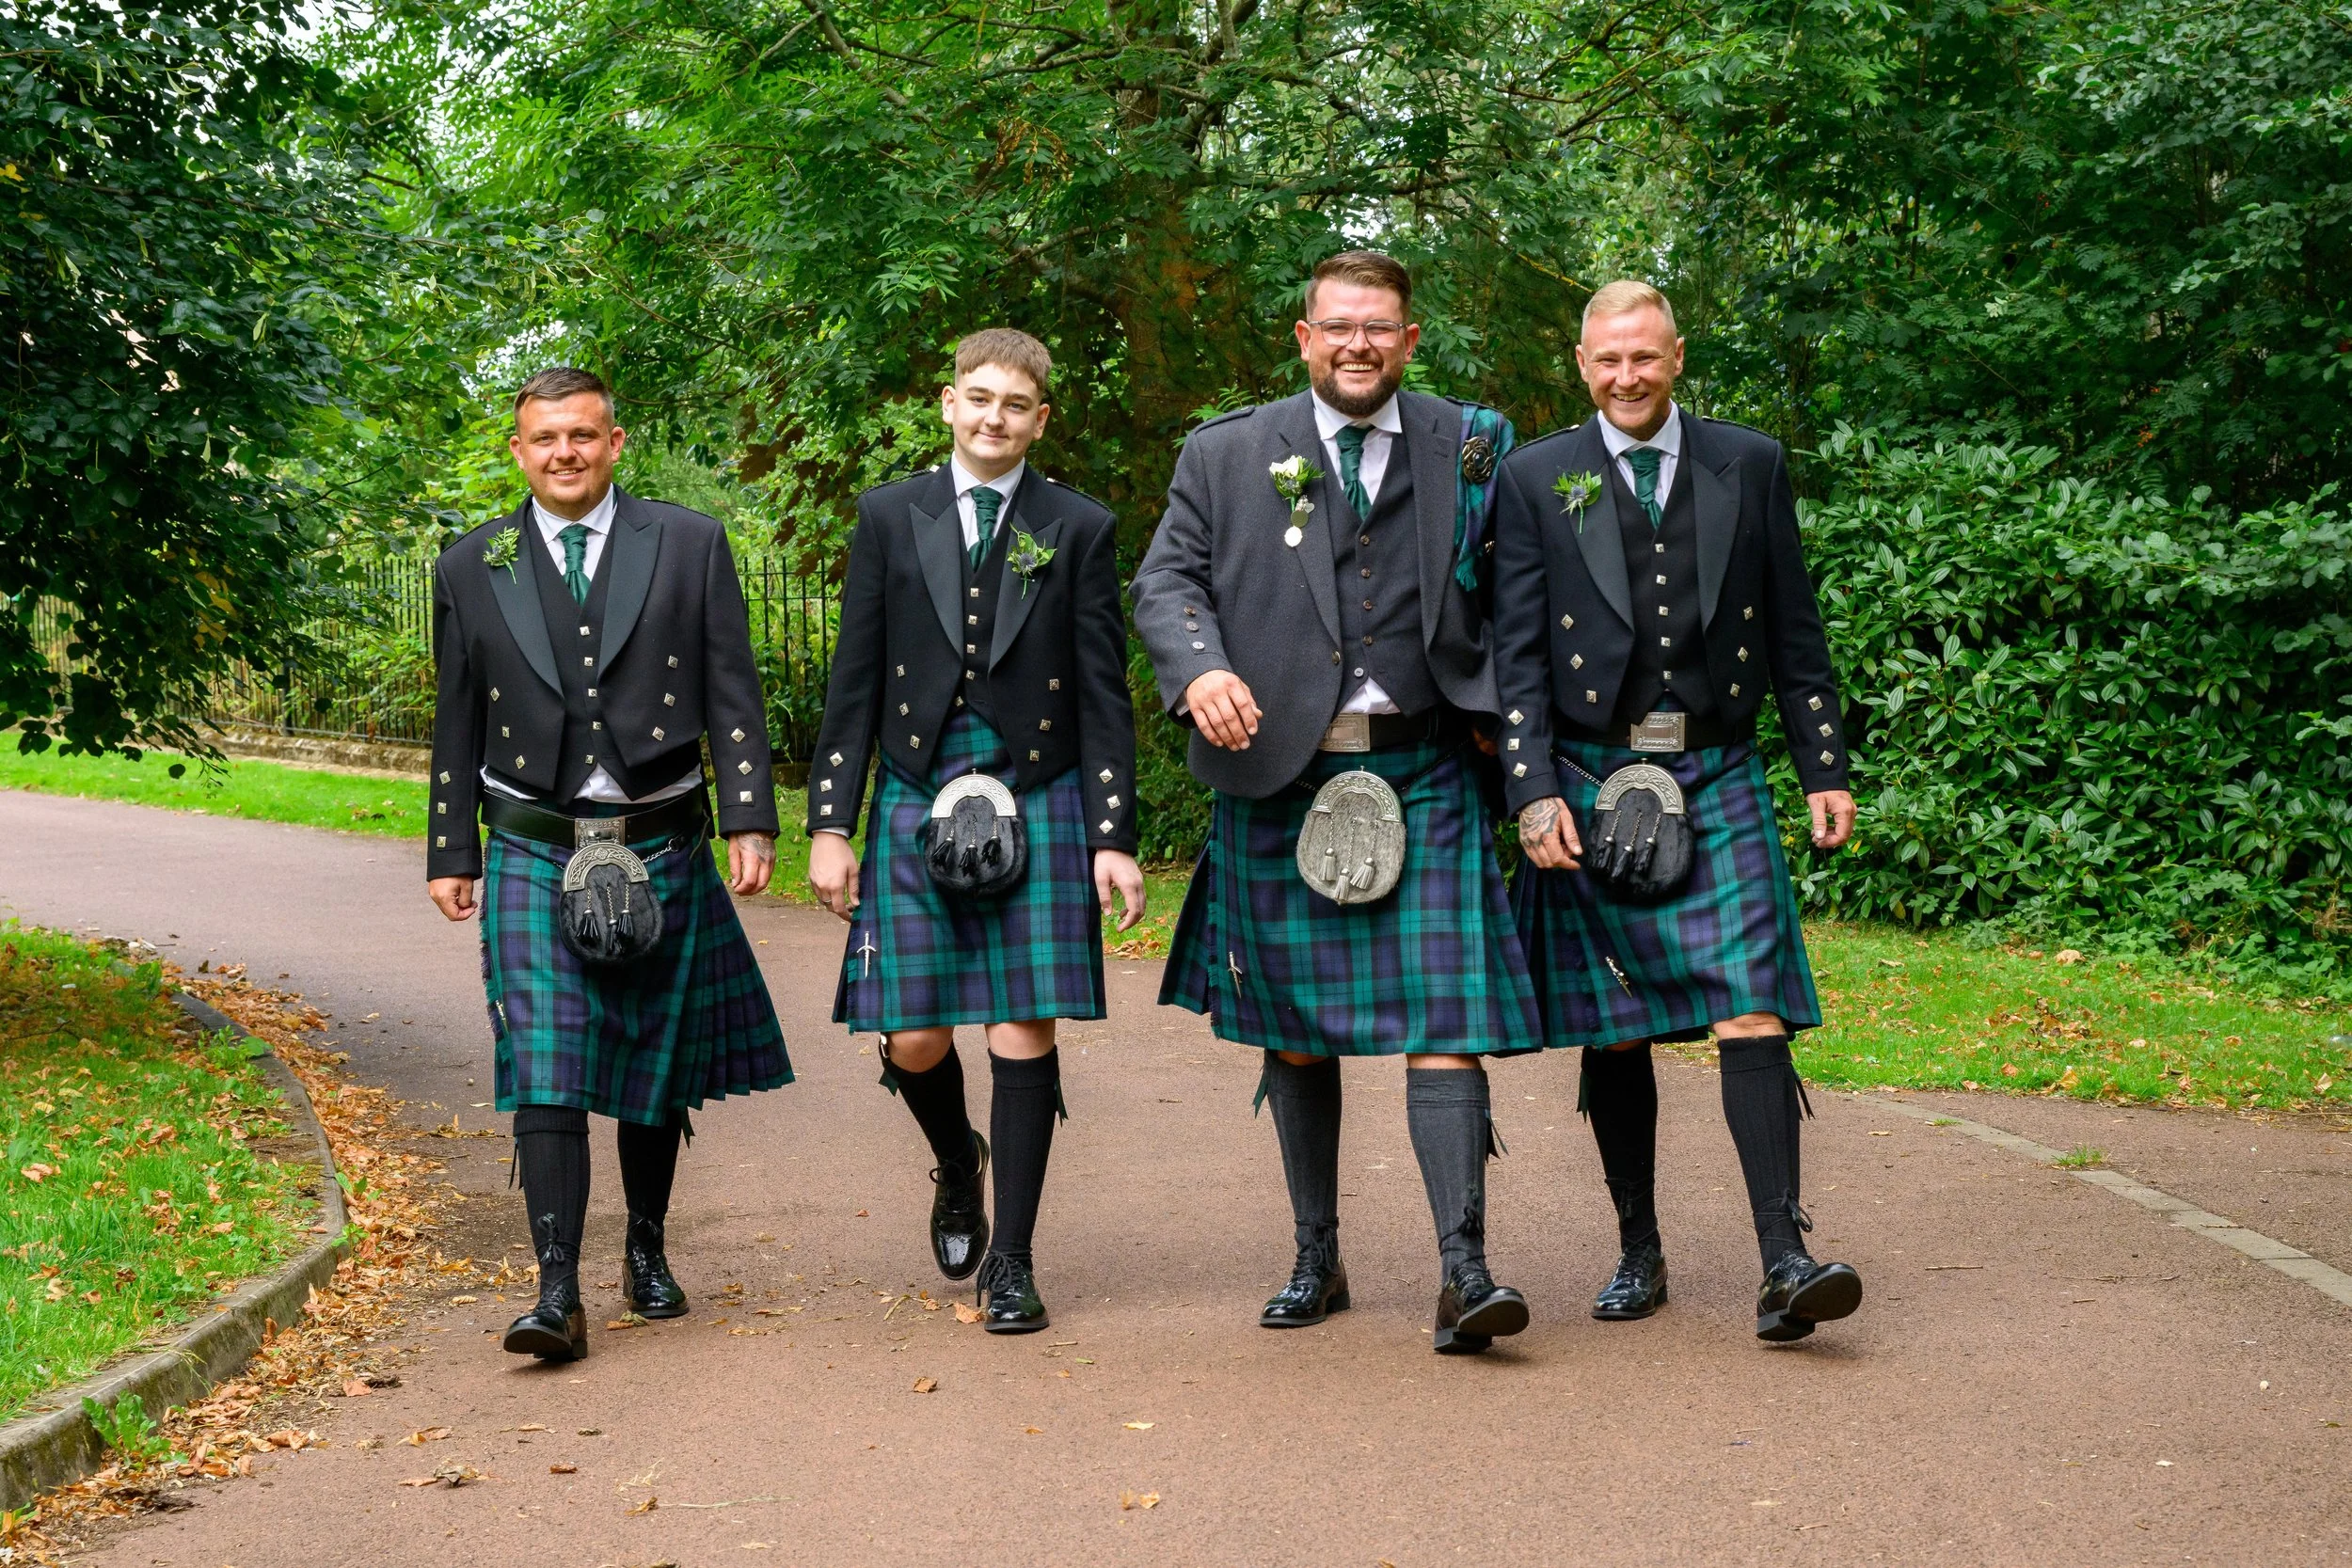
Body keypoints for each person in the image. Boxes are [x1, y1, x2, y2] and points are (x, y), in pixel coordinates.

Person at [1134, 251, 1542, 1354]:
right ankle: (1317, 1252)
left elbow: (1517, 589)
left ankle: (1464, 1267)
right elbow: (1164, 581)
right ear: (1303, 337)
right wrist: (1200, 668)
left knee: (1445, 1021)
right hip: (1283, 768)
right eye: (1338, 326)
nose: (1359, 344)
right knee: (1296, 1032)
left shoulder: (1469, 443)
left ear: (1411, 340)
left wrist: (1514, 730)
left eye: (1381, 327)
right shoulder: (1224, 451)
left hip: (1428, 760)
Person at [1488, 280, 1864, 1341]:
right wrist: (1530, 789)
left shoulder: (1746, 461)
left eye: (1644, 358)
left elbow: (1796, 628)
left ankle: (1783, 1256)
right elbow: (1513, 655)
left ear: (1678, 355)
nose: (1626, 377)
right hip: (1594, 775)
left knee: (1751, 1004)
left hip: (1718, 766)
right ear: (1580, 362)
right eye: (1607, 360)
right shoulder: (1533, 477)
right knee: (1614, 1030)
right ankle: (1637, 1248)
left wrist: (1822, 766)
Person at [424, 366, 790, 1363]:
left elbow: (731, 687)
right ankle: (555, 1289)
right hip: (534, 843)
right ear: (518, 449)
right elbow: (455, 718)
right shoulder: (470, 564)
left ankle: (646, 1241)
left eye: (582, 435)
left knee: (647, 1059)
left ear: (615, 441)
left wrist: (750, 816)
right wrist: (452, 847)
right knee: (545, 1060)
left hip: (660, 834)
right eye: (543, 438)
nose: (564, 454)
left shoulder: (685, 542)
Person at [806, 328, 1144, 1334]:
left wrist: (1110, 831)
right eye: (978, 397)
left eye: (1015, 404)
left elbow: (1100, 691)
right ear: (948, 403)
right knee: (910, 1036)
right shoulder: (887, 515)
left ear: (1040, 419)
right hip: (916, 783)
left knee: (1020, 1024)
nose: (994, 416)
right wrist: (830, 821)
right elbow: (853, 679)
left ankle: (1015, 1261)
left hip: (1035, 790)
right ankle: (959, 1159)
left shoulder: (1075, 525)